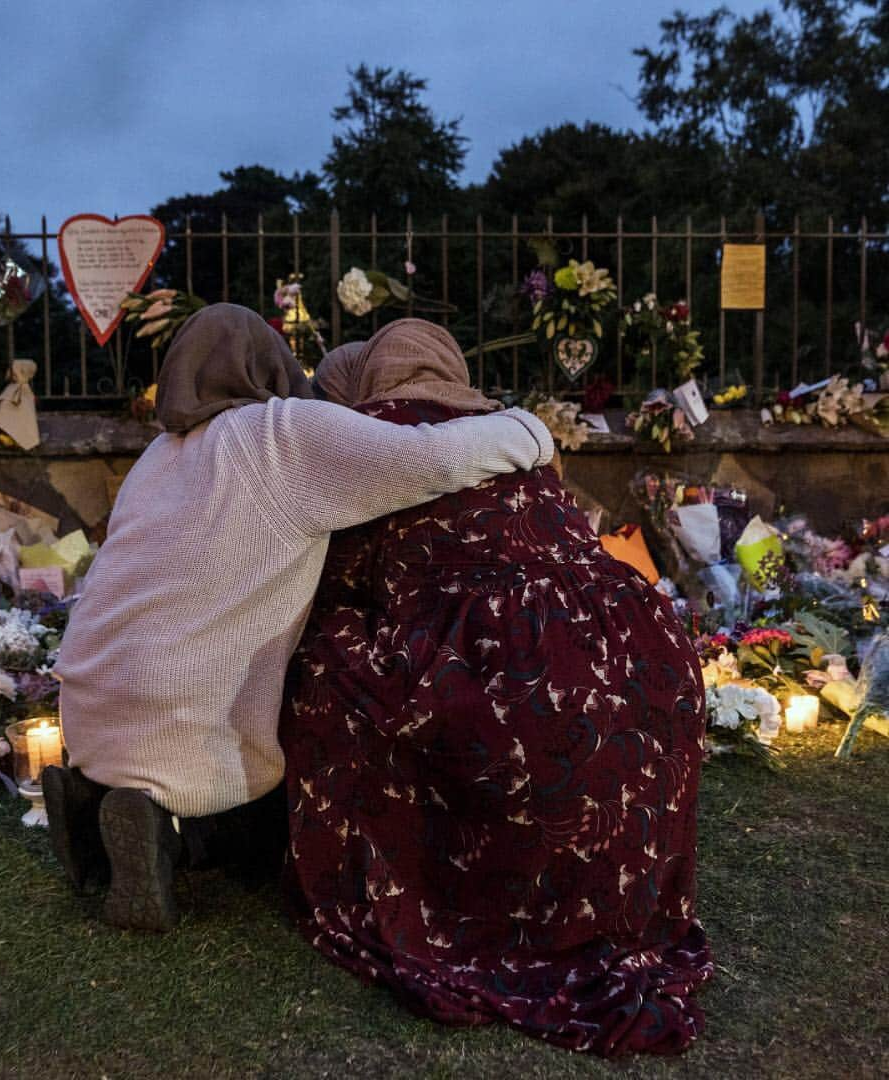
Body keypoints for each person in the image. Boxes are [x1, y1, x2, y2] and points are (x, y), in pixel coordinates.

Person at [46, 304, 556, 932]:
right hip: (176, 716)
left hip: (87, 698)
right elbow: (427, 459)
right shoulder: (278, 432)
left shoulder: (158, 455)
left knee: (153, 734)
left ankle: (92, 798)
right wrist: (526, 429)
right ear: (269, 361)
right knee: (267, 794)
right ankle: (167, 836)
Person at [280, 318, 712, 1057]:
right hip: (642, 660)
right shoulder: (512, 438)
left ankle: (419, 872)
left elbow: (330, 580)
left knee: (326, 655)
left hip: (526, 685)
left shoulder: (378, 442)